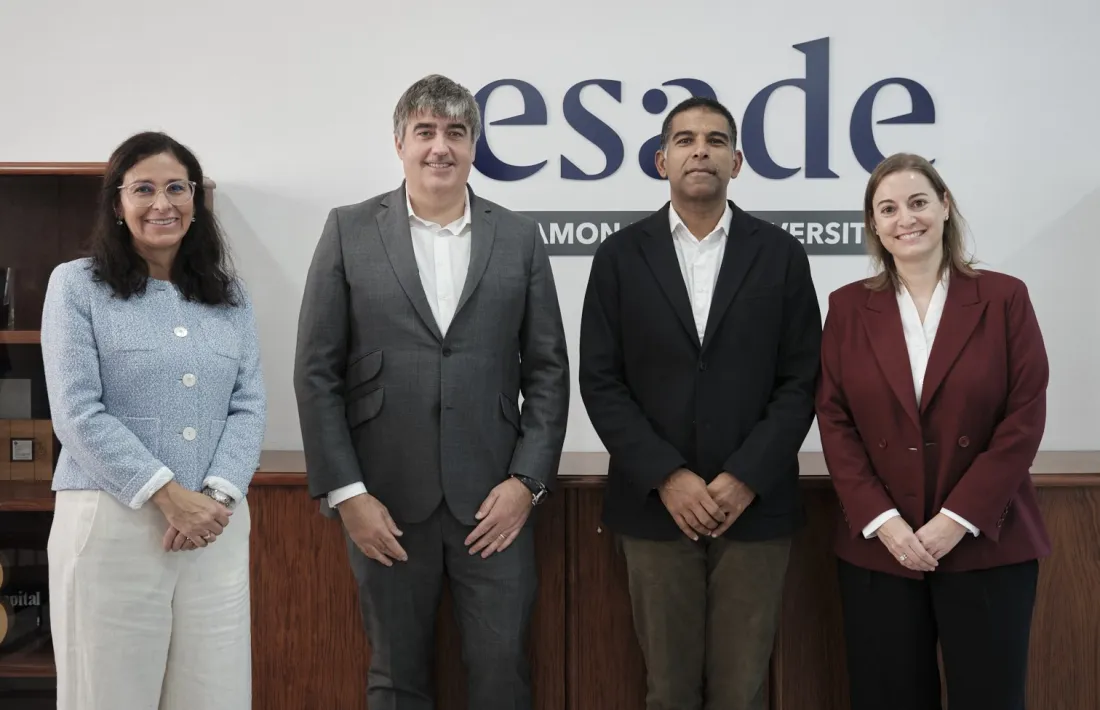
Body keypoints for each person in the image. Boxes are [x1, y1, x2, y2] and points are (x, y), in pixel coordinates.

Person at [293, 74, 569, 710]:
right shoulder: (348, 230)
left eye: (455, 132)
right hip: (383, 502)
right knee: (395, 679)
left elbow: (549, 371)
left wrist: (527, 483)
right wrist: (347, 494)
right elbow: (316, 371)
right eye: (425, 132)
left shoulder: (520, 238)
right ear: (400, 143)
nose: (439, 147)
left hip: (494, 507)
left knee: (503, 675)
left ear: (474, 144)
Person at [578, 96, 822, 710]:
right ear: (661, 160)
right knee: (669, 691)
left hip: (756, 509)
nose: (700, 151)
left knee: (743, 691)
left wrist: (744, 477)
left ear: (737, 162)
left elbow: (802, 381)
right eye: (685, 140)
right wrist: (667, 477)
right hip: (655, 508)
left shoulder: (782, 255)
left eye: (715, 140)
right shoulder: (618, 256)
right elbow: (601, 382)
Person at [815, 152, 1051, 710]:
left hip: (987, 542)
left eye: (918, 202)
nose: (906, 219)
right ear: (874, 224)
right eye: (888, 208)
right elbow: (835, 419)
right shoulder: (848, 307)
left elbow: (1024, 416)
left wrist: (957, 520)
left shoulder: (1004, 297)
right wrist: (884, 523)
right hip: (882, 549)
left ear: (944, 207)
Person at [41, 131, 266, 709]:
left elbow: (248, 405)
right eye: (143, 189)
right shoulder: (77, 286)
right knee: (108, 696)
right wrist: (169, 496)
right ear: (117, 204)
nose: (162, 203)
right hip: (113, 524)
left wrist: (211, 500)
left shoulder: (229, 296)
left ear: (195, 202)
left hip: (212, 529)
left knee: (214, 696)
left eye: (176, 188)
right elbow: (76, 411)